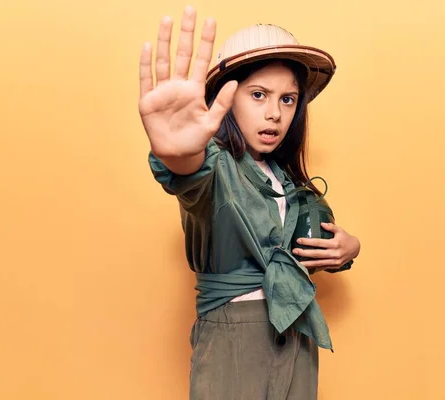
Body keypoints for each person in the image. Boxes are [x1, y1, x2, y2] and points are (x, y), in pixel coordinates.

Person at [138, 6, 361, 399]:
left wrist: (346, 249)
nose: (275, 113)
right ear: (227, 97)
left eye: (289, 99)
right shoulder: (216, 165)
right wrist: (176, 152)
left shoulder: (287, 179)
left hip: (296, 327)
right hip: (235, 332)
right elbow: (188, 173)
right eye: (258, 95)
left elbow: (296, 253)